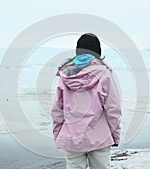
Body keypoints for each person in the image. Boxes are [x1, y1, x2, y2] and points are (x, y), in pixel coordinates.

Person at [51, 33, 122, 169]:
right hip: (100, 137)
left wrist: (58, 134)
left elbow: (57, 110)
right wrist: (114, 135)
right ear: (98, 51)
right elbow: (113, 109)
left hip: (71, 138)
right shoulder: (104, 74)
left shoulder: (66, 75)